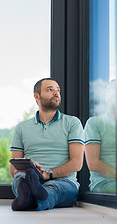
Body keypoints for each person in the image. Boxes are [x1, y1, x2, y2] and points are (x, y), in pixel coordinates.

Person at [9, 78, 84, 211]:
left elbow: (77, 163)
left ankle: (27, 199)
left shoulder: (72, 123)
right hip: (30, 177)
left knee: (54, 188)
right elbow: (12, 169)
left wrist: (48, 174)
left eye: (58, 90)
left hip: (64, 182)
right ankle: (32, 195)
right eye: (50, 90)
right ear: (36, 96)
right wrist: (23, 170)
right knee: (20, 178)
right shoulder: (21, 127)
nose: (56, 93)